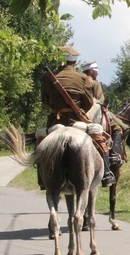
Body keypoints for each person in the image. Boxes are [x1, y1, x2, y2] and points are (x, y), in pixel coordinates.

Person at [41, 47, 115, 187]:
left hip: (54, 121)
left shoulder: (47, 77)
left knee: (41, 142)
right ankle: (106, 173)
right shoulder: (82, 78)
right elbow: (88, 103)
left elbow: (44, 101)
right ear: (74, 61)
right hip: (76, 122)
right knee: (101, 140)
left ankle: (42, 178)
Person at [82, 61, 127, 166]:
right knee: (119, 128)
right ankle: (115, 155)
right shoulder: (94, 83)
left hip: (78, 113)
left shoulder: (78, 80)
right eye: (96, 72)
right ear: (91, 71)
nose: (97, 74)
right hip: (93, 113)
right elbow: (101, 102)